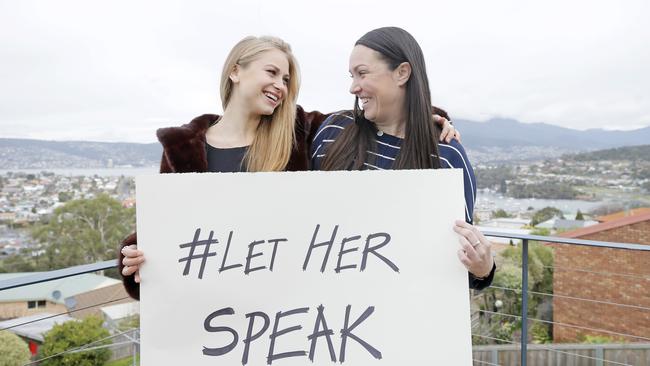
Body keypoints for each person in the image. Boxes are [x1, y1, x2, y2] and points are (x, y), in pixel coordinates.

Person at [118, 35, 460, 300]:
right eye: (271, 72)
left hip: (287, 310)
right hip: (216, 312)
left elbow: (373, 115)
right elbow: (167, 232)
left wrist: (422, 116)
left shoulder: (301, 132)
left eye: (286, 79)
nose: (280, 86)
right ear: (236, 70)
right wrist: (135, 256)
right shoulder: (184, 149)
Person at [311, 27, 495, 289]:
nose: (353, 87)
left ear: (402, 73)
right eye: (352, 76)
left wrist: (483, 270)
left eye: (362, 73)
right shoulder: (333, 131)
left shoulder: (446, 155)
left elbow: (459, 262)